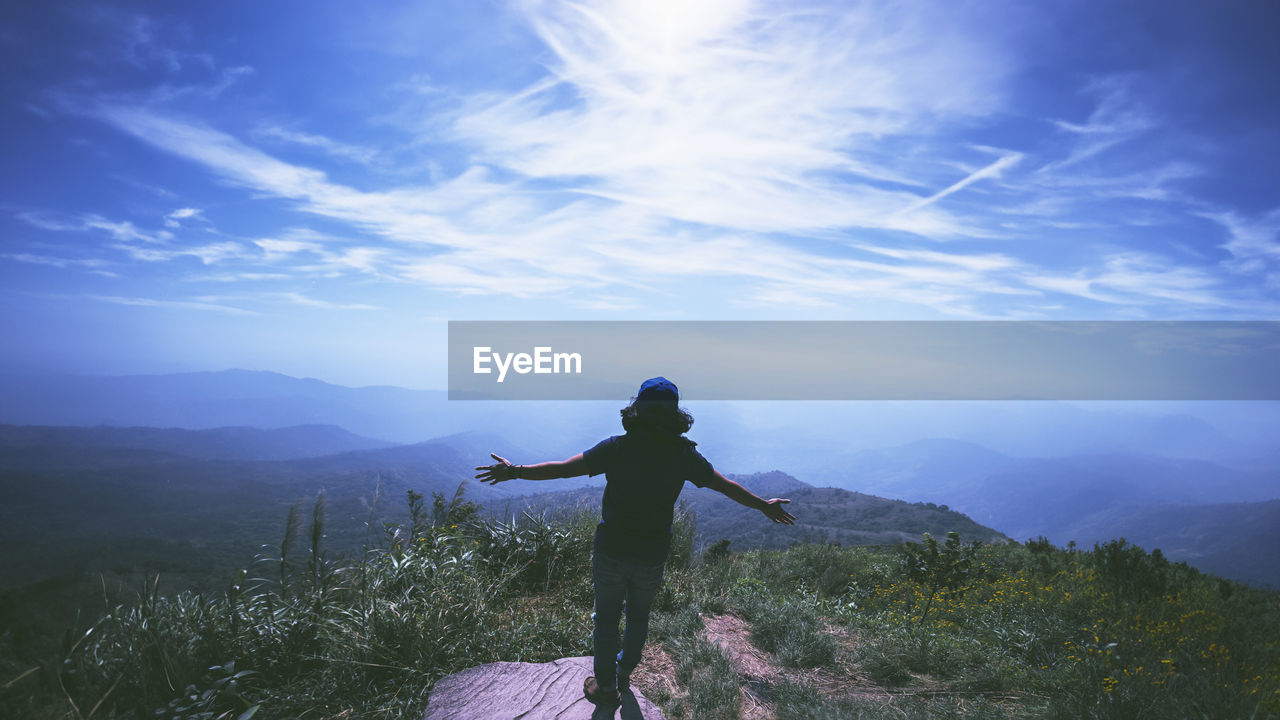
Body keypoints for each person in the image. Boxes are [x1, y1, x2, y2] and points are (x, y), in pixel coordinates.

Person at [474, 376, 797, 708]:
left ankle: (605, 688)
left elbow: (561, 470)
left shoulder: (616, 448)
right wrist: (763, 506)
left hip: (612, 548)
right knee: (639, 616)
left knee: (606, 620)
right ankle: (624, 672)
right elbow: (725, 486)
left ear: (637, 410)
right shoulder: (684, 455)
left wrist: (515, 471)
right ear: (675, 415)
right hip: (652, 552)